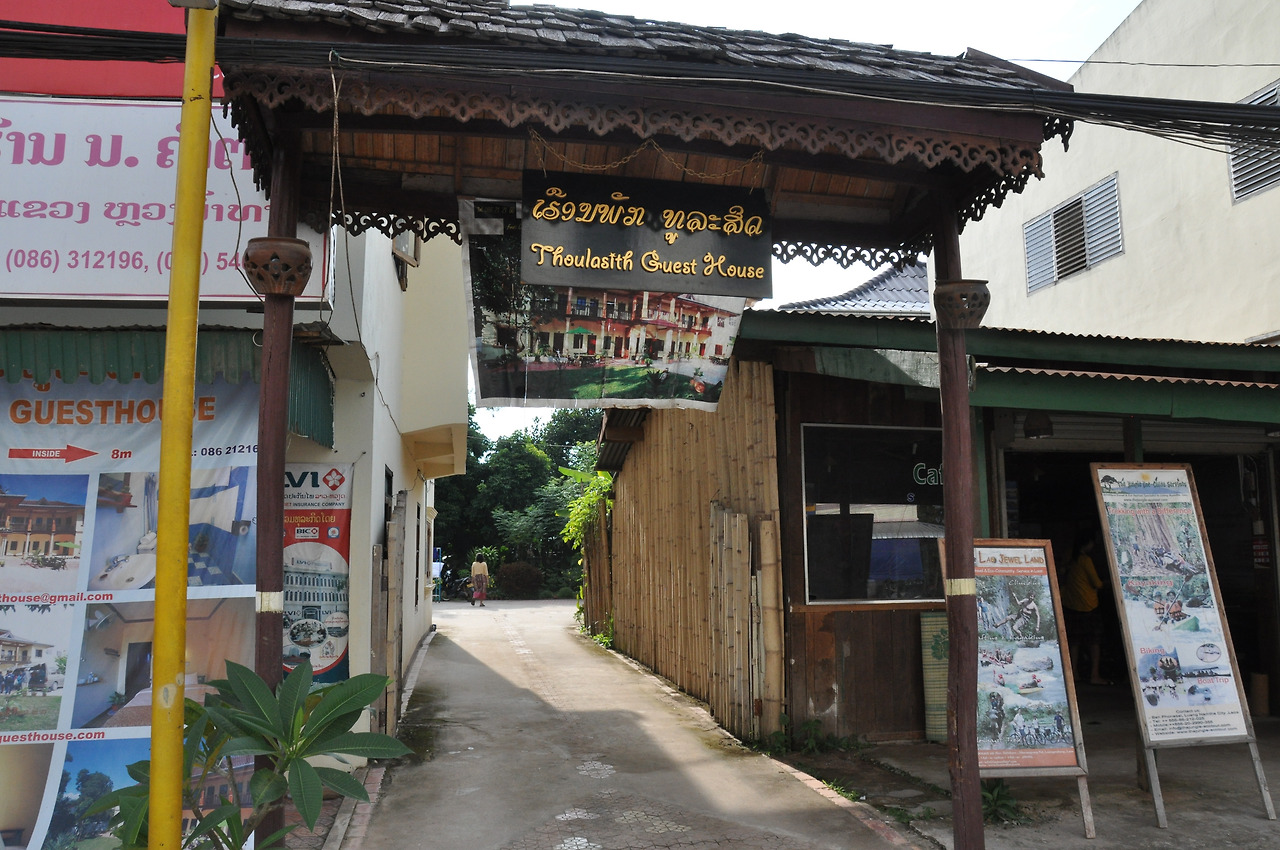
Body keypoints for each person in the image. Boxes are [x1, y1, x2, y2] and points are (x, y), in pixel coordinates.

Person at [1062, 532, 1108, 685]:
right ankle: (1094, 675)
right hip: (1088, 605)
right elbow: (1097, 583)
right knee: (1094, 641)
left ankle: (1074, 673)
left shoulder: (1069, 557)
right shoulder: (1085, 560)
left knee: (1074, 642)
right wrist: (1105, 583)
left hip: (1070, 603)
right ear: (1087, 544)